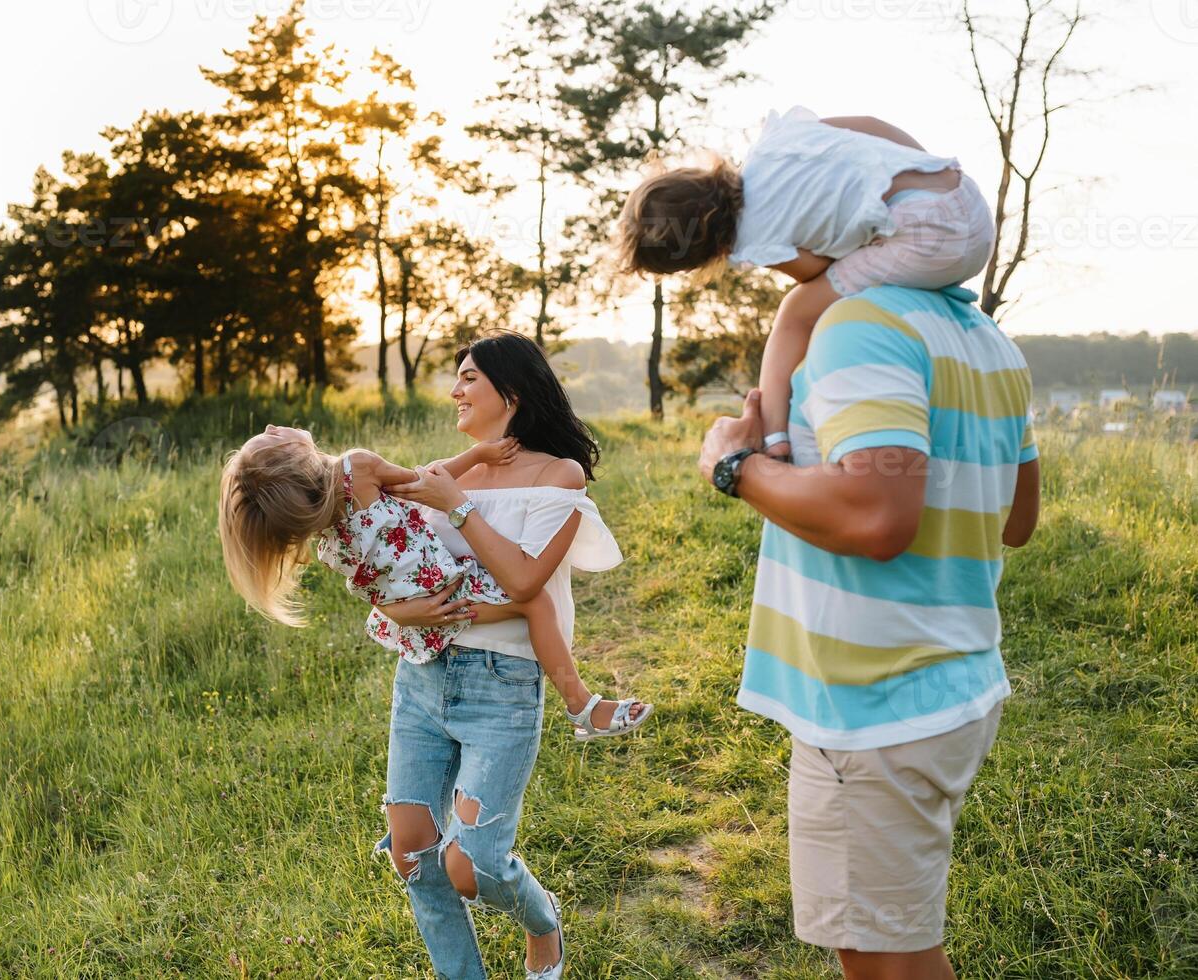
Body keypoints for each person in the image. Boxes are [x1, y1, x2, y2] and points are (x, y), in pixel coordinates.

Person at [697, 282, 1040, 980]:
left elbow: (877, 518)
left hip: (873, 705)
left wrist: (735, 468)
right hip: (954, 684)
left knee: (885, 961)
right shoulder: (985, 337)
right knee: (896, 947)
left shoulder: (858, 327)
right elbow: (1018, 519)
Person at [373, 331, 635, 978]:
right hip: (423, 678)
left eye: (467, 378)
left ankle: (543, 922)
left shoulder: (557, 475)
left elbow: (523, 583)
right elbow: (388, 561)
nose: (454, 391)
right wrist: (398, 607)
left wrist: (458, 508)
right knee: (412, 854)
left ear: (510, 393)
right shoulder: (449, 471)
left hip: (503, 682)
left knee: (472, 865)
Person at [217, 425, 653, 741]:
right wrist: (480, 455)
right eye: (270, 436)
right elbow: (425, 481)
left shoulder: (324, 528)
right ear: (291, 457)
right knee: (536, 603)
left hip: (413, 612)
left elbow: (373, 582)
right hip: (444, 589)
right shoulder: (358, 468)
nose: (273, 425)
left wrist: (399, 611)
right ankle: (581, 704)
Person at [615, 106, 995, 463]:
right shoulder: (775, 142)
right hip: (960, 193)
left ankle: (775, 438)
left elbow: (817, 270)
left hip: (934, 242)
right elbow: (870, 123)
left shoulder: (752, 239)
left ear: (701, 255)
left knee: (796, 312)